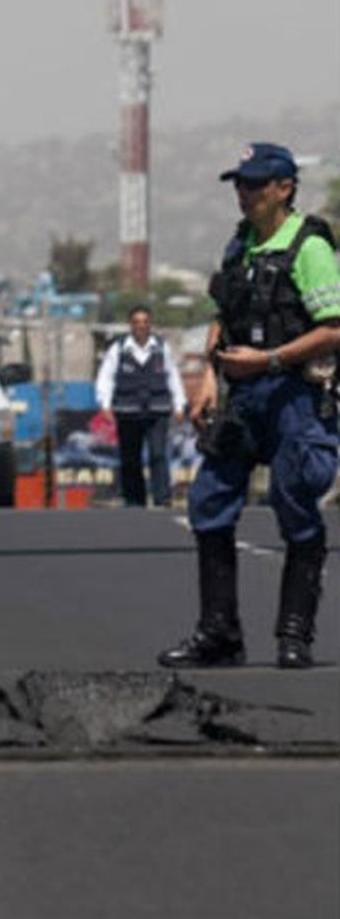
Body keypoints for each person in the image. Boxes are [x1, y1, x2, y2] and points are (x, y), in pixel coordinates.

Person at [159, 142, 340, 670]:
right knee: (209, 503)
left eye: (256, 185)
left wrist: (269, 360)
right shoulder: (239, 246)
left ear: (284, 188)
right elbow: (224, 314)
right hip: (244, 396)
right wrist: (211, 378)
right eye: (239, 184)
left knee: (296, 505)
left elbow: (333, 329)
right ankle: (219, 634)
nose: (245, 194)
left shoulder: (309, 247)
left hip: (294, 395)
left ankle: (294, 636)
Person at [95, 304, 187, 506]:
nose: (141, 326)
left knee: (158, 454)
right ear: (130, 325)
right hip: (128, 411)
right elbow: (106, 378)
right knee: (130, 458)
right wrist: (105, 404)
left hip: (157, 410)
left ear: (150, 324)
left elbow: (173, 377)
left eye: (145, 322)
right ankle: (134, 499)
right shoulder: (118, 349)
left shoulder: (162, 348)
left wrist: (180, 405)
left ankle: (162, 498)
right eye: (136, 322)